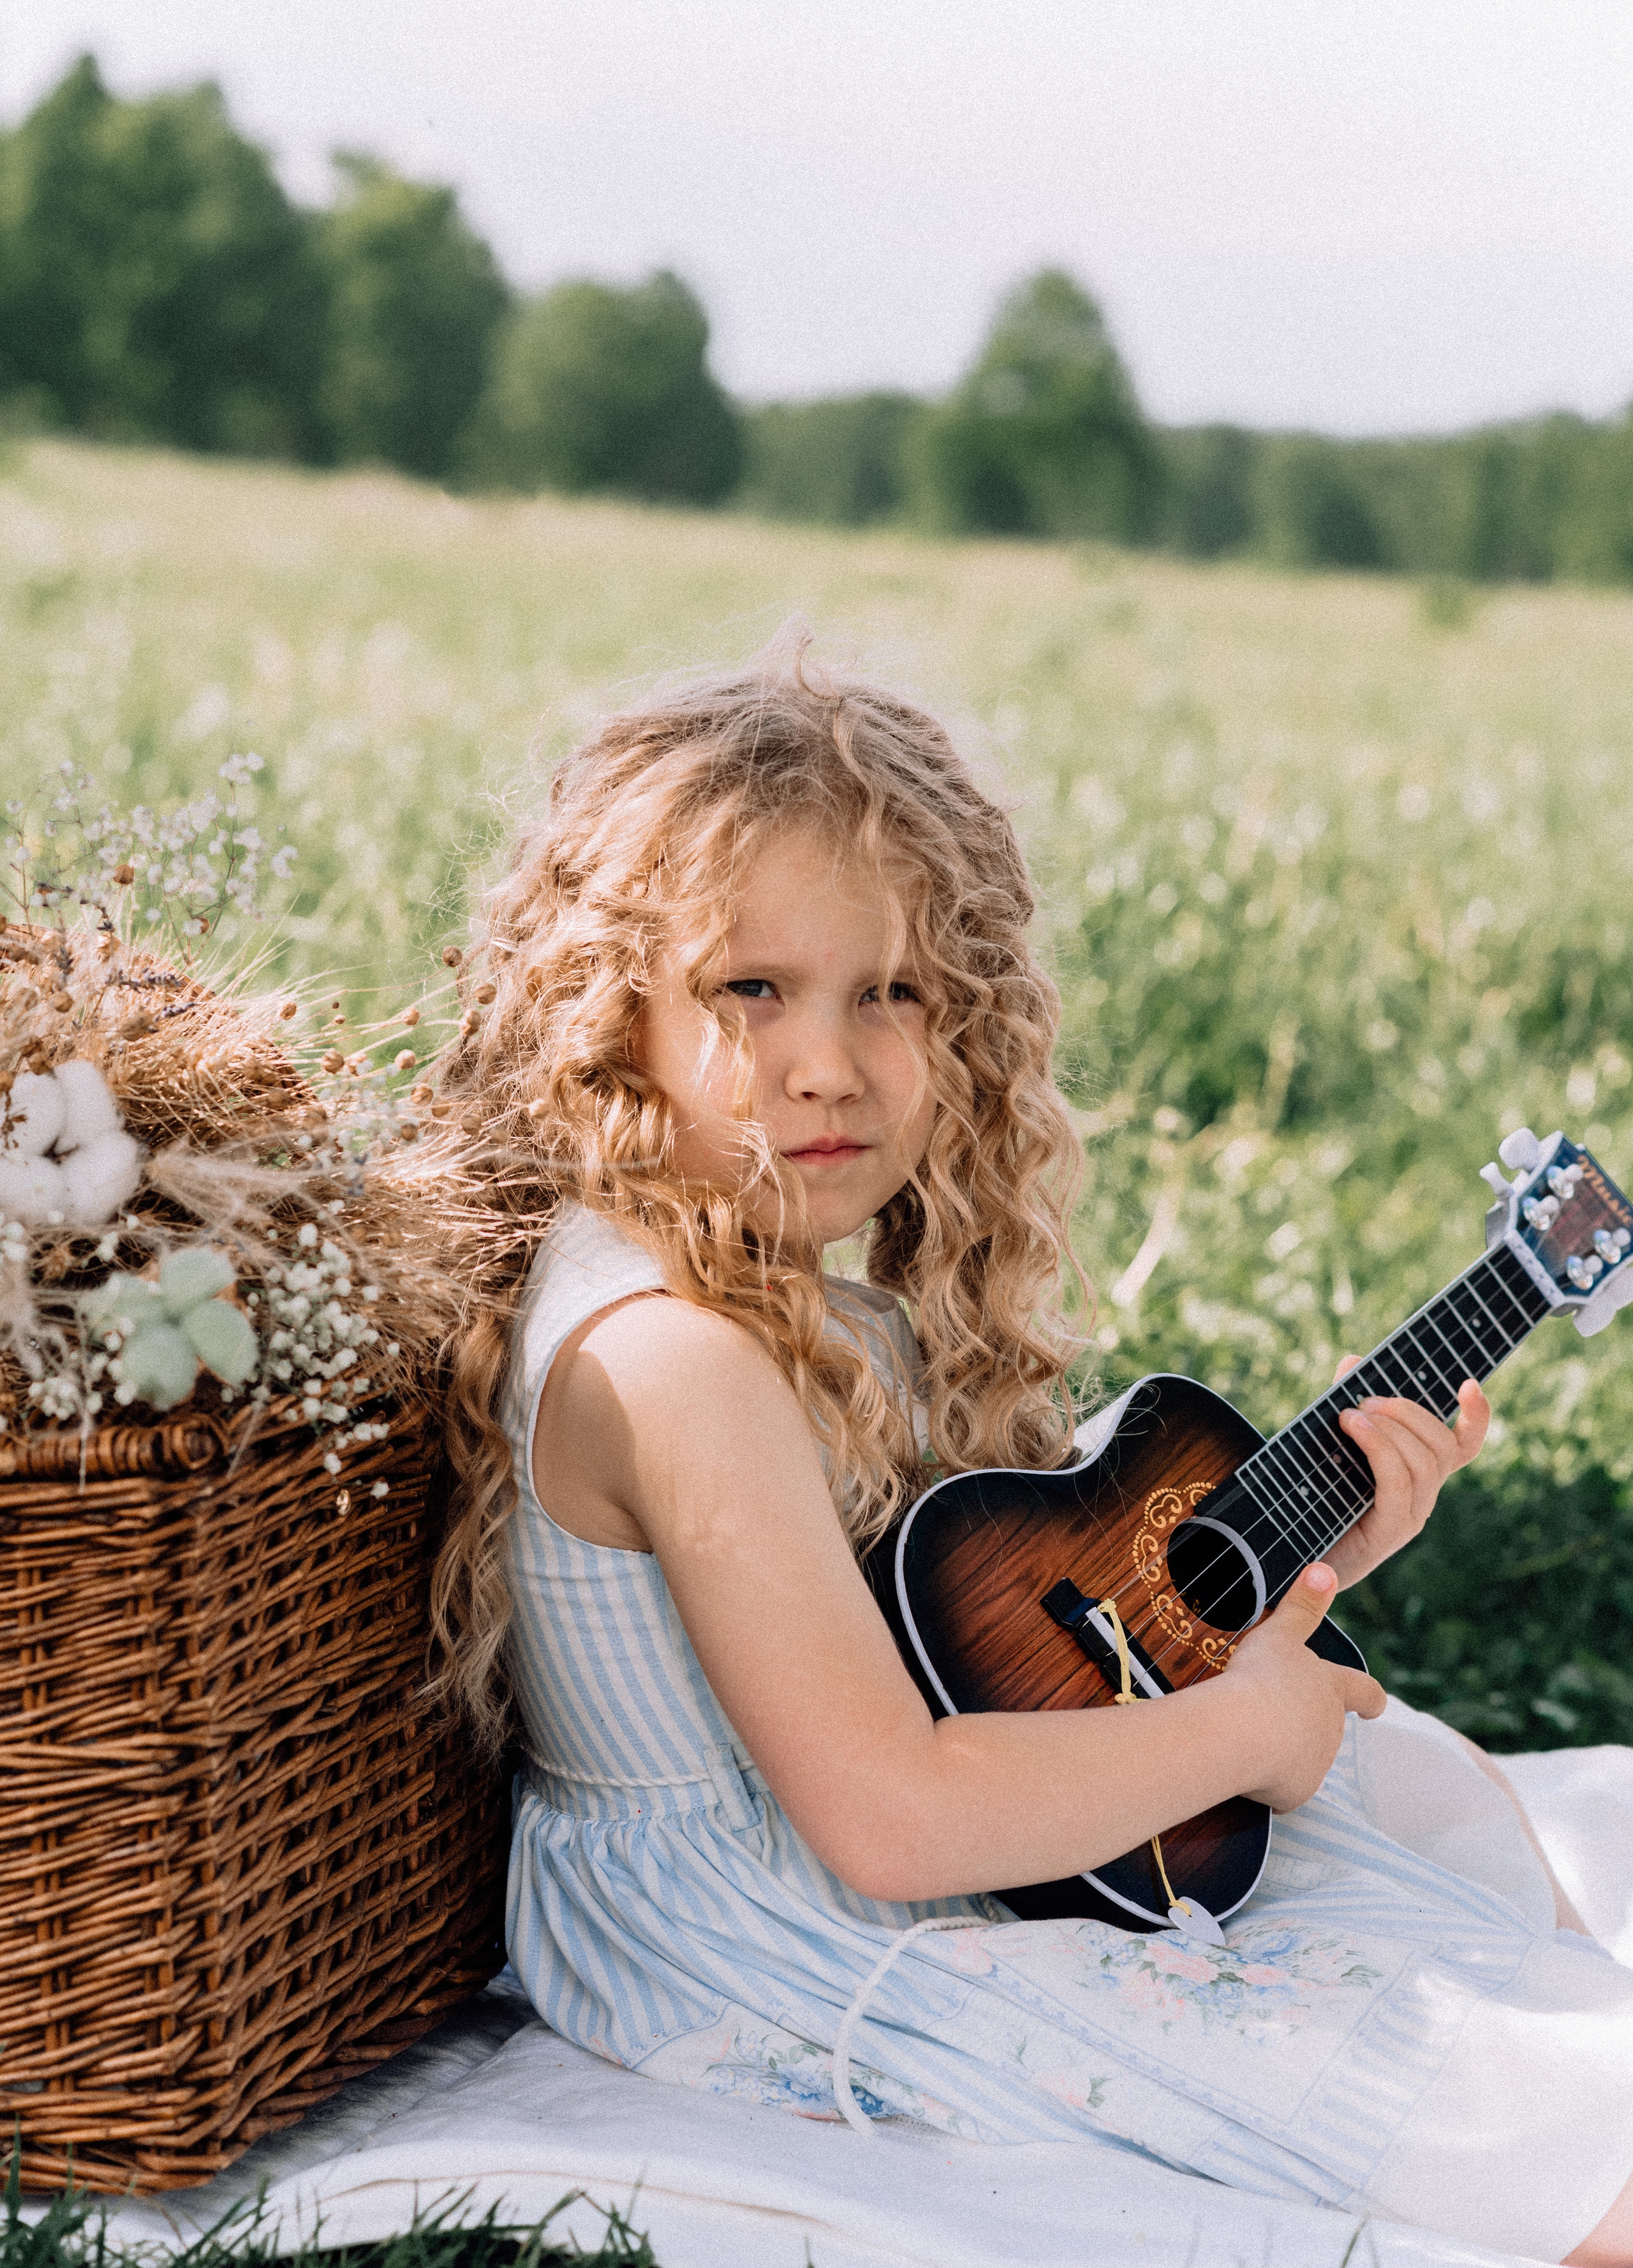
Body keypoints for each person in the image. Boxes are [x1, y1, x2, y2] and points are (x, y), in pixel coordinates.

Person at [428, 649, 1633, 2265]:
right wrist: (1229, 1731)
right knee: (1488, 2101)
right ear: (608, 1014)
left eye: (891, 992)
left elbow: (988, 1635)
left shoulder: (769, 1289)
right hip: (790, 1939)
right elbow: (888, 1818)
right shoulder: (675, 1360)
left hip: (884, 1834)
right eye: (750, 990)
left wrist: (1302, 1557)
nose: (827, 1062)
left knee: (1399, 1779)